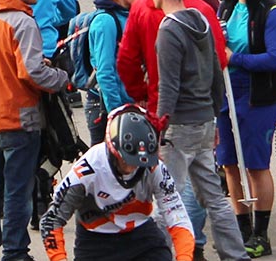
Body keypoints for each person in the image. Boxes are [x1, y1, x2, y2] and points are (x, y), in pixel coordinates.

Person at [0, 0, 72, 261]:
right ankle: (15, 252)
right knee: (17, 190)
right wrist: (60, 78)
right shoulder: (23, 22)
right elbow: (31, 72)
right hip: (19, 118)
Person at [152, 0, 249, 261]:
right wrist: (215, 115)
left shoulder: (168, 30)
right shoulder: (202, 20)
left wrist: (159, 128)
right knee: (215, 197)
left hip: (179, 126)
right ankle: (235, 254)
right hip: (204, 119)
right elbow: (216, 73)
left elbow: (168, 87)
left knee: (169, 197)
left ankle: (154, 254)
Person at [42, 104, 197, 261]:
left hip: (141, 233)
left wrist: (184, 256)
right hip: (96, 240)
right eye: (126, 160)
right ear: (112, 150)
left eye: (138, 163)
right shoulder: (87, 169)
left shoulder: (154, 166)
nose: (131, 168)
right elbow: (52, 220)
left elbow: (177, 214)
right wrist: (59, 258)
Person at [218, 0, 276, 256]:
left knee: (257, 165)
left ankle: (261, 234)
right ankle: (242, 229)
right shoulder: (226, 7)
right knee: (230, 163)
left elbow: (275, 59)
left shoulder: (270, 12)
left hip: (258, 95)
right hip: (226, 91)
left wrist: (237, 59)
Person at [82, 0, 147, 145]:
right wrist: (117, 113)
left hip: (131, 104)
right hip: (107, 108)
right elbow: (105, 71)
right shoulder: (106, 21)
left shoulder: (130, 15)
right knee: (107, 169)